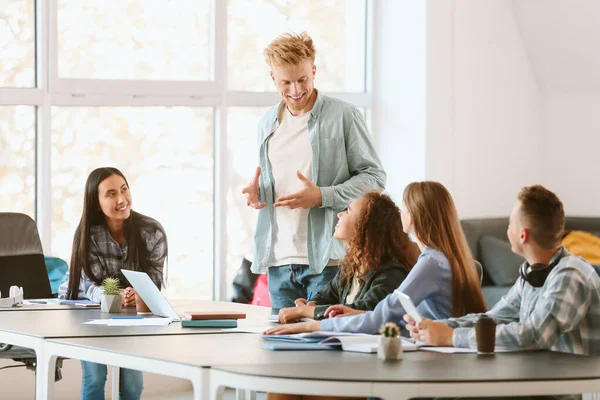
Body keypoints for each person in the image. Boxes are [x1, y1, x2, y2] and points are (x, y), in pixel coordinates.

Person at [241, 31, 386, 312]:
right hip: (279, 260)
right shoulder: (267, 121)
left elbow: (375, 178)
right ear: (273, 78)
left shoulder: (343, 115)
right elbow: (278, 179)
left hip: (327, 261)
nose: (295, 90)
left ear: (314, 71)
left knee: (325, 348)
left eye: (302, 80)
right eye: (286, 82)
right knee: (281, 348)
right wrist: (258, 191)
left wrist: (322, 195)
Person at [265, 181, 486, 336]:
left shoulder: (431, 263)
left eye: (404, 208)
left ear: (413, 216)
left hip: (428, 354)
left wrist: (308, 325)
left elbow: (382, 316)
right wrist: (354, 313)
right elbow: (392, 314)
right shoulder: (438, 259)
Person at [405, 185, 600, 357]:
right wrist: (438, 327)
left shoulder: (571, 274)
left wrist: (452, 337)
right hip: (537, 382)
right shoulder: (531, 273)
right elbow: (492, 319)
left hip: (565, 392)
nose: (508, 229)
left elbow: (534, 335)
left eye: (510, 223)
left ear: (522, 235)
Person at [58, 167, 167, 400]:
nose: (121, 199)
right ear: (96, 203)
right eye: (110, 194)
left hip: (133, 316)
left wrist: (136, 295)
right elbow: (87, 285)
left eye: (124, 190)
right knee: (95, 378)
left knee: (133, 385)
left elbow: (154, 284)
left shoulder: (152, 232)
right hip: (91, 315)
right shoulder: (88, 235)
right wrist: (114, 295)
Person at [277, 192, 419, 323]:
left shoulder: (391, 274)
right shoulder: (351, 267)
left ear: (366, 226)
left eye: (348, 211)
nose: (340, 214)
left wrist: (305, 311)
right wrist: (311, 305)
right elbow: (324, 296)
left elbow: (358, 311)